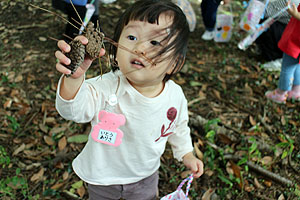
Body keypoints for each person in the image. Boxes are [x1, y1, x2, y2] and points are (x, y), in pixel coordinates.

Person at [54, 0, 204, 199]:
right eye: (132, 37)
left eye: (155, 42)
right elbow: (72, 110)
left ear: (174, 64)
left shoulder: (174, 96)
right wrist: (74, 78)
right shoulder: (107, 86)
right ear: (116, 50)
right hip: (102, 176)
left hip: (146, 176)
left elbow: (178, 126)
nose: (140, 47)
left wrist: (186, 153)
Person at [265, 1, 300, 104]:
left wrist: (296, 14)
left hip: (295, 40)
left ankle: (281, 93)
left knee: (287, 68)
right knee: (297, 65)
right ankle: (296, 90)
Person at [255, 0, 300, 71]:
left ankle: (275, 56)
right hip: (291, 35)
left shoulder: (289, 1)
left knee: (262, 21)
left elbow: (262, 12)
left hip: (290, 40)